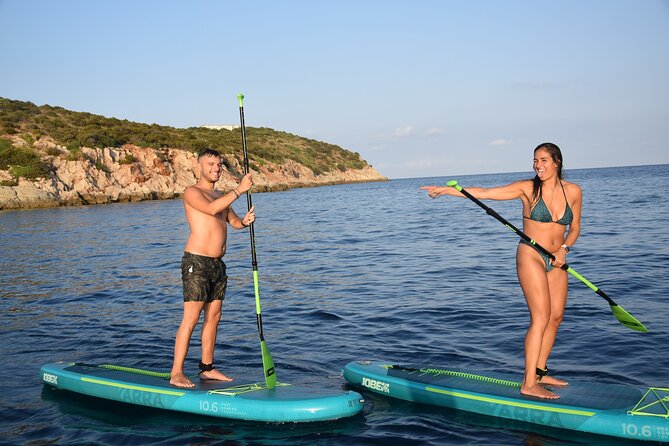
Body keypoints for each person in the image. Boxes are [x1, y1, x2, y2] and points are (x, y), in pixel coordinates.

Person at [421, 143, 582, 399]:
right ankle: (529, 383)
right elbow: (485, 192)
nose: (537, 165)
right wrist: (449, 190)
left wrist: (565, 249)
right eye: (535, 160)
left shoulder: (573, 191)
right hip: (531, 255)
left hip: (557, 259)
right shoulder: (527, 188)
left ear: (557, 162)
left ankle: (540, 372)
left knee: (555, 318)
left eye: (542, 160)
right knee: (540, 317)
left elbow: (574, 228)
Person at [170, 147, 256, 389]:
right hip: (196, 262)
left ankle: (207, 368)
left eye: (219, 165)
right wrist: (239, 190)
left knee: (214, 317)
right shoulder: (192, 193)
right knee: (192, 318)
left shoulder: (220, 195)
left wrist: (244, 222)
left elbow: (232, 221)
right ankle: (176, 372)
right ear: (200, 166)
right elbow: (210, 210)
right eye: (211, 164)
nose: (216, 168)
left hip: (218, 265)